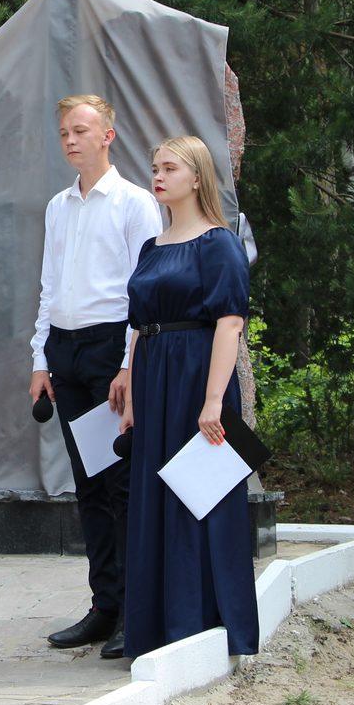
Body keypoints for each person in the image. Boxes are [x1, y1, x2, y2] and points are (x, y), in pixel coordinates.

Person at [30, 95, 163, 660]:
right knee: (88, 484)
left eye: (80, 130)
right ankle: (104, 604)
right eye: (63, 132)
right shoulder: (58, 206)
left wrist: (131, 365)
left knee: (122, 486)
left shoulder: (134, 204)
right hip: (67, 350)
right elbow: (49, 286)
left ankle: (136, 611)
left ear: (108, 135)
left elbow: (146, 291)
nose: (70, 140)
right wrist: (40, 359)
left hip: (113, 348)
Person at [120, 135, 259, 660]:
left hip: (199, 377)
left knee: (200, 498)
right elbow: (139, 325)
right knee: (155, 498)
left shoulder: (219, 242)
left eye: (169, 167)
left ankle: (198, 626)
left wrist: (212, 402)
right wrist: (132, 392)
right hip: (154, 377)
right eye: (154, 167)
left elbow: (229, 323)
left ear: (196, 177)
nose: (157, 176)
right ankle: (156, 630)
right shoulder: (151, 248)